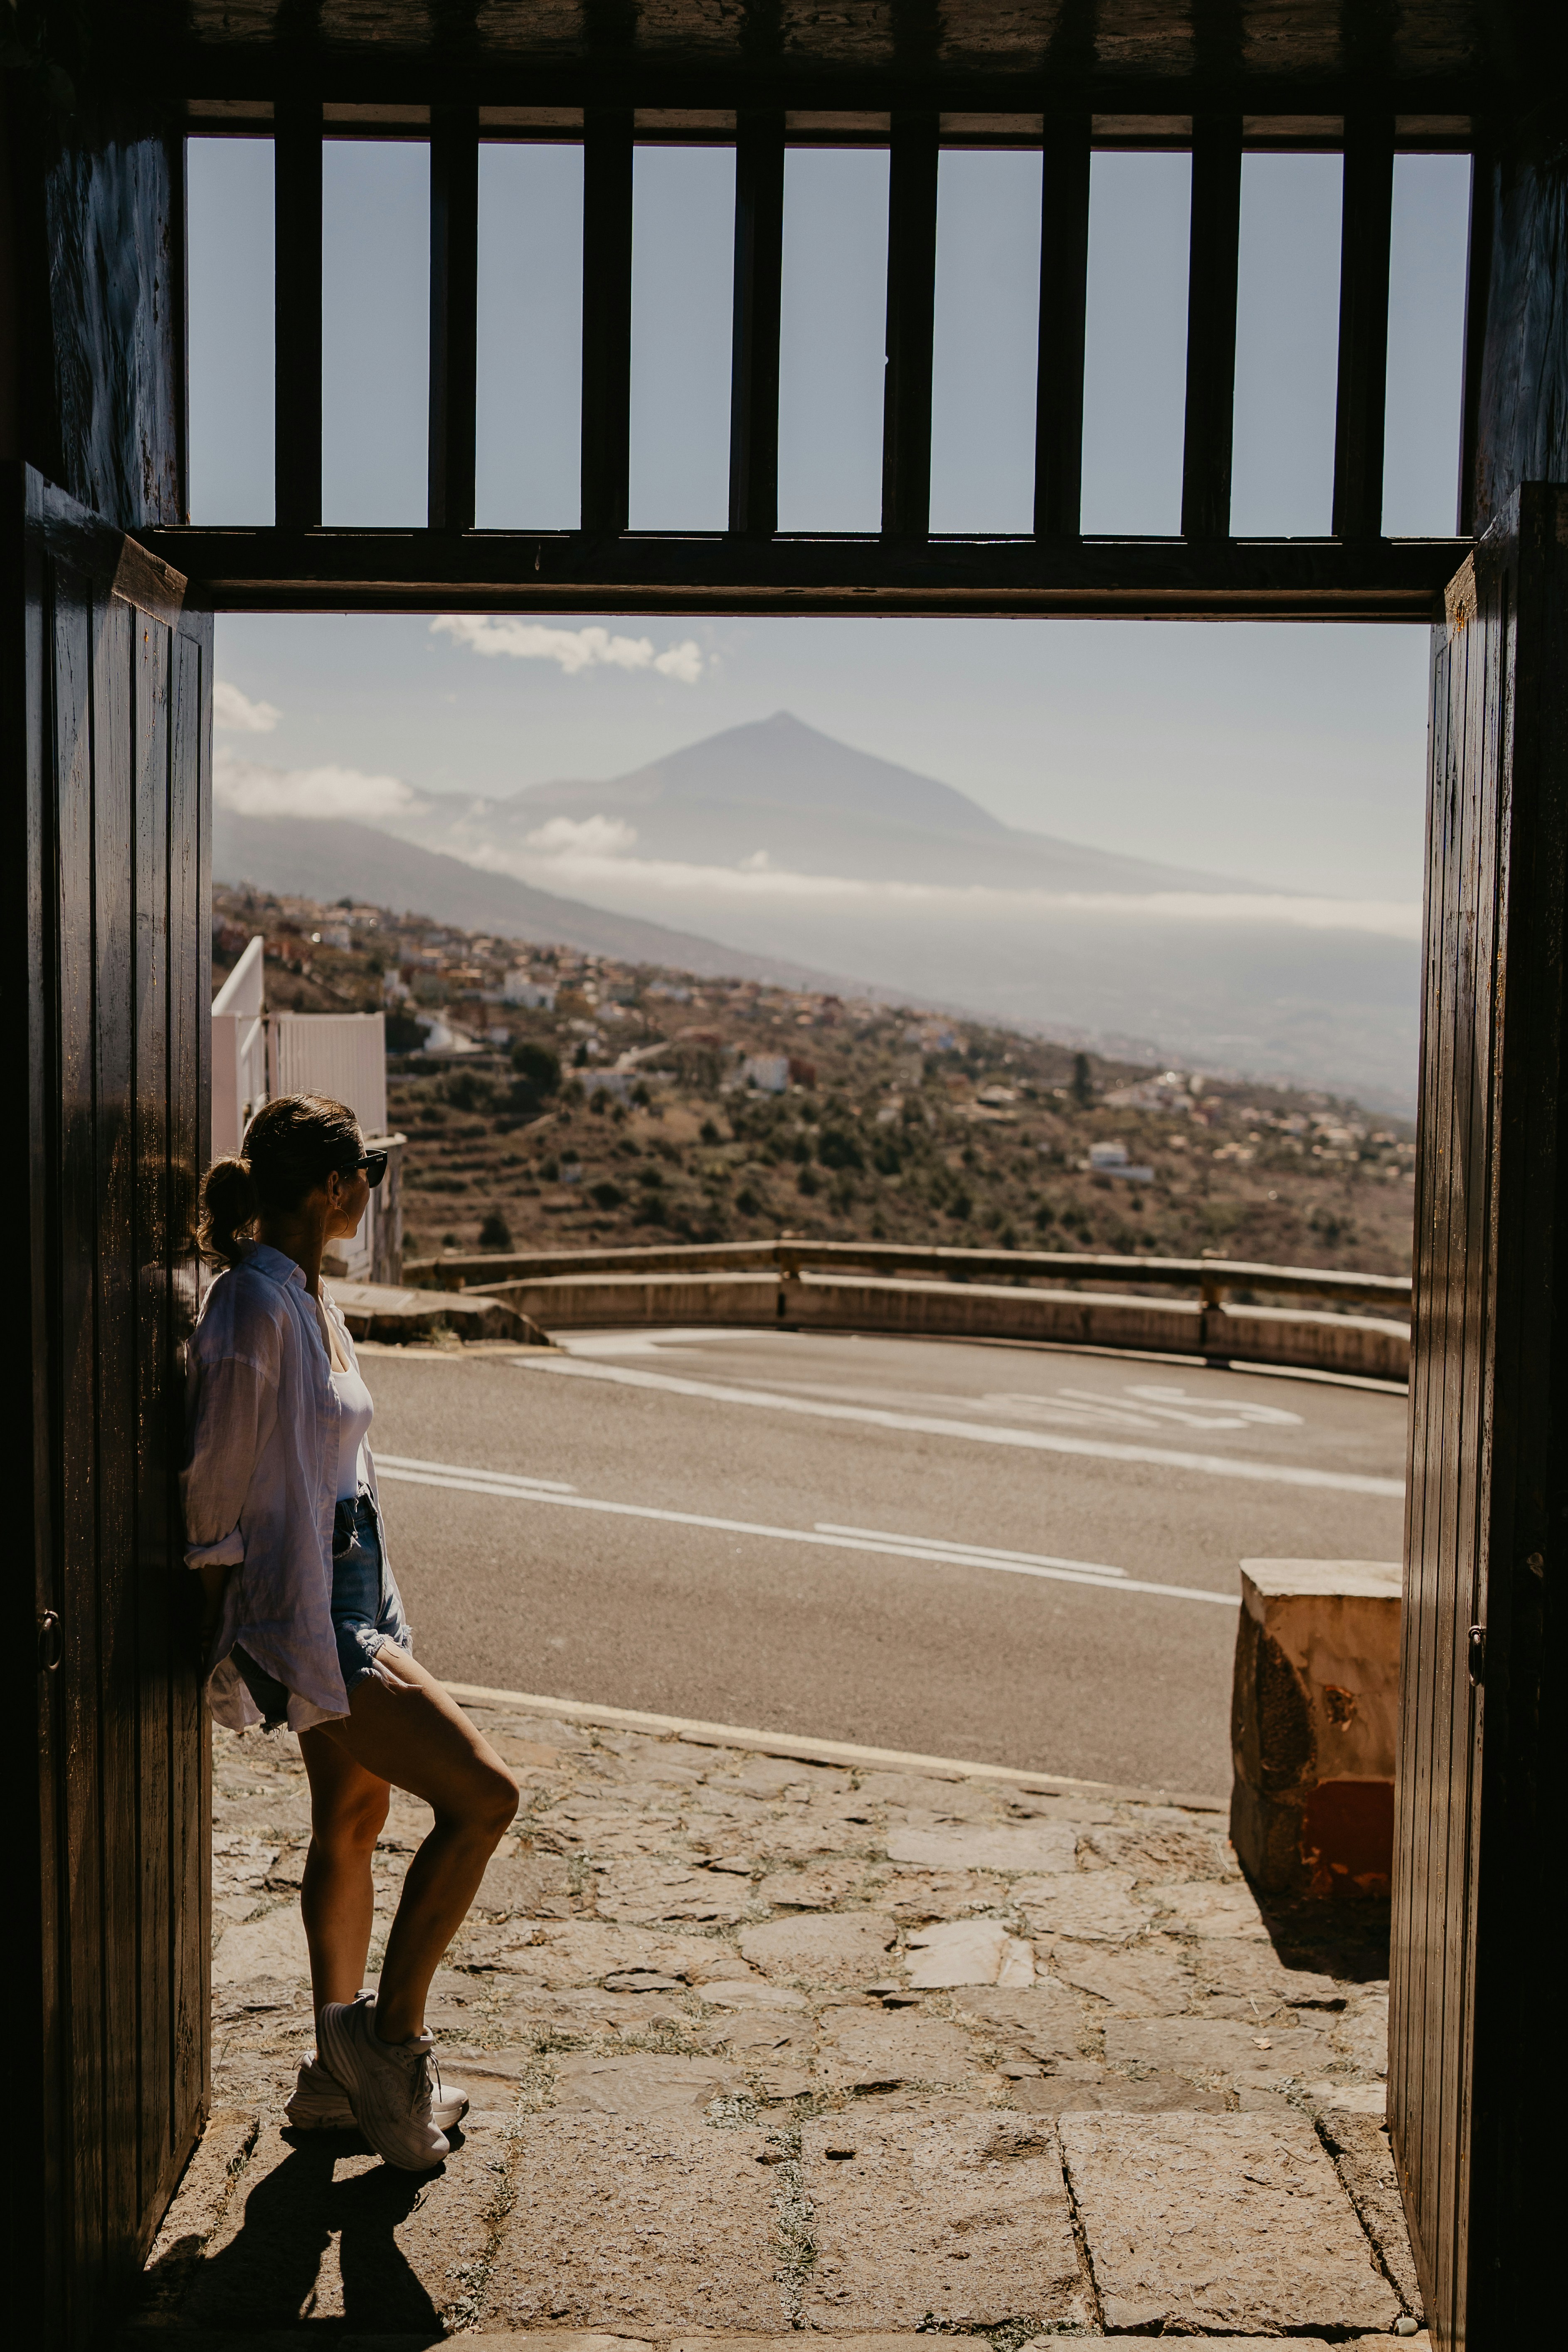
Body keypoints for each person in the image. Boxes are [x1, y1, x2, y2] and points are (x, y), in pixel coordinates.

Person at [182, 1092, 518, 2171]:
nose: (368, 1186)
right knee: (482, 1796)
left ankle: (333, 2083)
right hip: (308, 1605)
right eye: (362, 1170)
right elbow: (213, 1483)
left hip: (353, 1583)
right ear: (331, 1188)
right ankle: (391, 2046)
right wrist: (238, 1617)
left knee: (354, 1814)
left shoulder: (307, 1298)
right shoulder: (253, 1306)